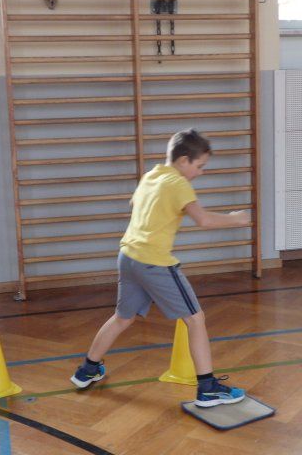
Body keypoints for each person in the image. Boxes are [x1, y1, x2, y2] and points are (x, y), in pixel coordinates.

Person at [70, 128, 251, 407]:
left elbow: (135, 204)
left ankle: (87, 370)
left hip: (128, 256)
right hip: (153, 262)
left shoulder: (151, 175)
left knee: (122, 318)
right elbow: (203, 220)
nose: (201, 172)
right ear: (183, 160)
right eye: (199, 166)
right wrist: (235, 219)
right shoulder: (178, 183)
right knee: (196, 319)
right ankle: (208, 389)